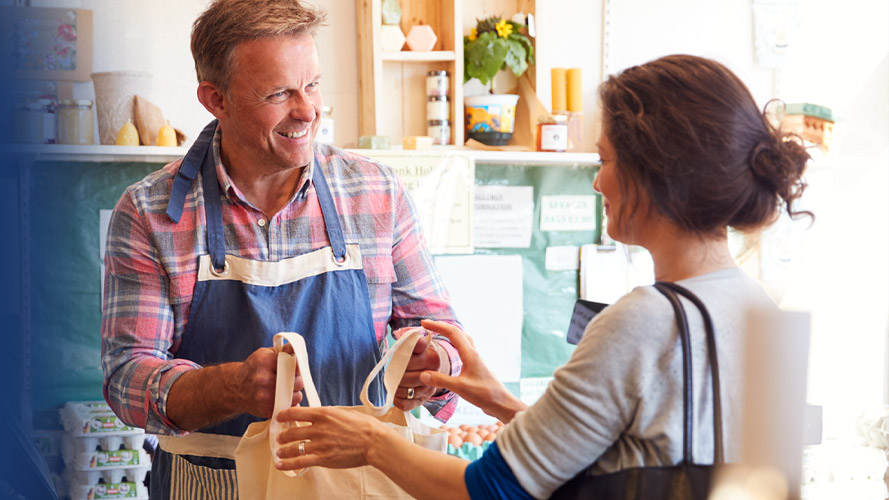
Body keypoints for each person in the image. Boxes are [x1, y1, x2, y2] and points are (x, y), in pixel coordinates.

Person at [269, 54, 812, 500]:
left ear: (654, 173)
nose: (599, 183)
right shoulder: (762, 311)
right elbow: (651, 459)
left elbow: (490, 492)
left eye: (605, 160)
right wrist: (501, 403)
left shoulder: (643, 320)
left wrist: (371, 443)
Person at [99, 0, 470, 497]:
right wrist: (229, 387)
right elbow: (127, 377)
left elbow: (444, 335)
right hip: (211, 486)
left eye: (313, 85)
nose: (308, 110)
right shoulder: (150, 213)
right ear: (216, 98)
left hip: (354, 488)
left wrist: (433, 367)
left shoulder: (375, 192)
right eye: (280, 93)